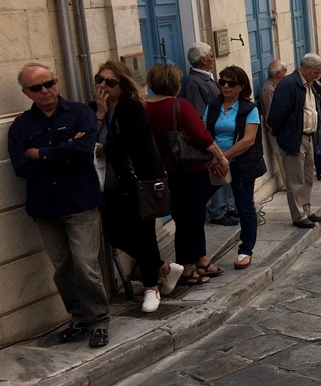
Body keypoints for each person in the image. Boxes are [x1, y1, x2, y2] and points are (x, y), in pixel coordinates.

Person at [9, 63, 110, 347]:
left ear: (56, 82)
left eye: (49, 83)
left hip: (80, 202)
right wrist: (65, 150)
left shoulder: (80, 113)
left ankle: (99, 320)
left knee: (86, 265)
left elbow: (83, 151)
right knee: (63, 268)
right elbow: (20, 167)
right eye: (36, 88)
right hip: (45, 206)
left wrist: (41, 154)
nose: (45, 91)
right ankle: (79, 318)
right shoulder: (21, 126)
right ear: (26, 93)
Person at [91, 61, 182, 314]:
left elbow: (129, 142)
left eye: (110, 82)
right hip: (108, 186)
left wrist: (103, 148)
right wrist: (100, 113)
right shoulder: (93, 110)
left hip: (137, 183)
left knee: (144, 235)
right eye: (100, 79)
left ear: (122, 86)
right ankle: (164, 268)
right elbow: (86, 139)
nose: (103, 86)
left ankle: (151, 288)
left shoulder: (132, 108)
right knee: (115, 235)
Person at [146, 63, 231, 286]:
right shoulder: (179, 105)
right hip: (188, 171)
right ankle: (186, 269)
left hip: (162, 173)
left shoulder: (144, 108)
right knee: (188, 221)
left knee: (191, 217)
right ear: (175, 84)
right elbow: (201, 136)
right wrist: (220, 157)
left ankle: (202, 260)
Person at [203, 66, 265, 270]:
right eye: (222, 82)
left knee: (244, 206)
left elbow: (248, 140)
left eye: (231, 83)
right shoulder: (213, 106)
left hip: (240, 164)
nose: (226, 86)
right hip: (214, 163)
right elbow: (204, 133)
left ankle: (245, 250)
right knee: (197, 204)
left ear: (241, 86)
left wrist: (224, 158)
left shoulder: (249, 109)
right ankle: (199, 255)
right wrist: (215, 159)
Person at [267, 53, 321, 229]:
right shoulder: (289, 84)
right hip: (294, 137)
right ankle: (298, 215)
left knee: (307, 176)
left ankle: (306, 209)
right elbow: (278, 113)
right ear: (305, 68)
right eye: (315, 72)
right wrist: (282, 134)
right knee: (295, 179)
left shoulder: (309, 84)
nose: (317, 76)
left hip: (308, 135)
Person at [182, 42, 235, 228]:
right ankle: (218, 211)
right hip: (211, 137)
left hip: (221, 134)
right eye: (211, 55)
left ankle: (228, 207)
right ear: (203, 60)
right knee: (216, 172)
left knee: (225, 170)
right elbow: (198, 115)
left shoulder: (207, 78)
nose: (213, 58)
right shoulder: (194, 82)